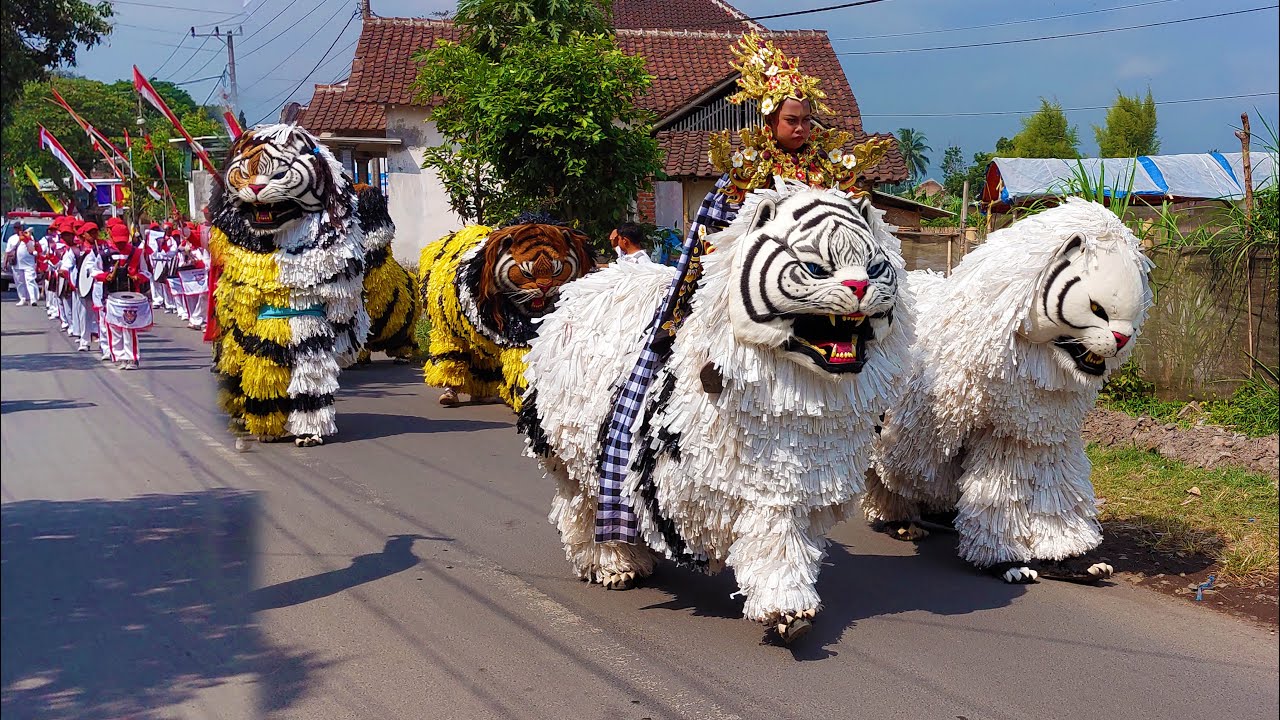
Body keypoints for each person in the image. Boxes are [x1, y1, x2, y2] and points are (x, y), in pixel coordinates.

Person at [590, 31, 893, 548]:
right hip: (753, 302)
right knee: (669, 367)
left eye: (805, 120)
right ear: (769, 124)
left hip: (822, 307)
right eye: (790, 120)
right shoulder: (743, 179)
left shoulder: (829, 178)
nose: (800, 128)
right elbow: (710, 241)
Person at [4, 220, 40, 306]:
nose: (18, 229)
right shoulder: (12, 238)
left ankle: (33, 299)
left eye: (19, 227)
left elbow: (33, 248)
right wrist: (5, 263)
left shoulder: (29, 237)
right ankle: (23, 299)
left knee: (30, 280)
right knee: (19, 282)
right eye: (16, 228)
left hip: (29, 264)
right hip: (16, 264)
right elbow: (8, 252)